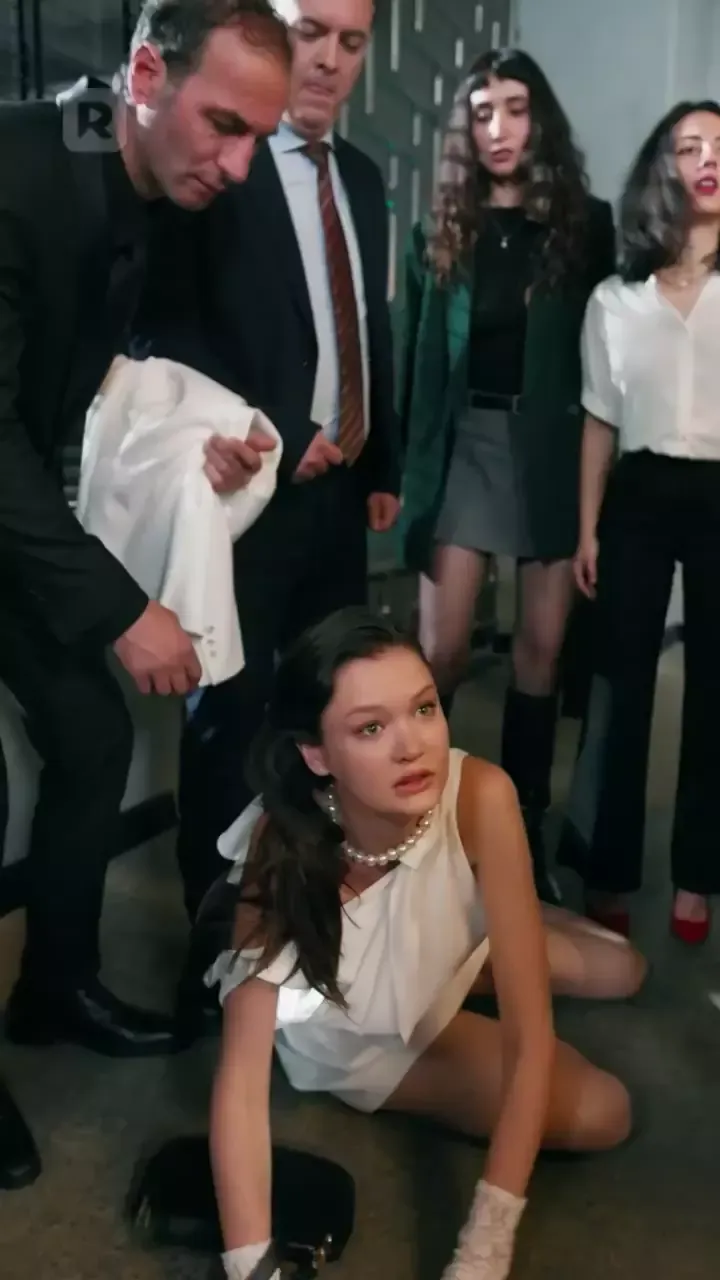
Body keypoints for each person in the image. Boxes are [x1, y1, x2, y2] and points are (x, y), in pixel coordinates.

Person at [0, 0, 290, 1104]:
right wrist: (125, 609)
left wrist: (196, 439)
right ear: (145, 73)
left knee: (91, 733)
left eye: (257, 138)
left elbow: (95, 379)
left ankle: (53, 987)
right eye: (224, 124)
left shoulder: (144, 182)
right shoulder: (18, 171)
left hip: (17, 505)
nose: (240, 165)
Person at [206, 607, 646, 1280]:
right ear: (317, 755)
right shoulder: (281, 844)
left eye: (424, 709)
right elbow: (240, 1083)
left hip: (440, 957)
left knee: (625, 968)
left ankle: (496, 914)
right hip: (362, 1030)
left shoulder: (480, 792)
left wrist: (485, 1249)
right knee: (603, 1111)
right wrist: (250, 1268)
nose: (412, 746)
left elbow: (530, 1035)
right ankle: (497, 916)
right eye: (371, 728)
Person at [140, 0, 401, 922]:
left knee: (330, 711)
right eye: (309, 32)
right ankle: (216, 938)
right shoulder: (219, 163)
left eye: (350, 41)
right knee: (230, 720)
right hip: (245, 493)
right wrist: (275, 431)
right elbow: (165, 331)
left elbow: (367, 324)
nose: (327, 59)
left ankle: (309, 907)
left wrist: (383, 460)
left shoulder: (361, 176)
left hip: (343, 498)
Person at [400, 49, 615, 906]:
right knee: (441, 652)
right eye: (482, 111)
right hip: (465, 445)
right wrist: (404, 480)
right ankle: (422, 824)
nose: (499, 129)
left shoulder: (585, 226)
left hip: (550, 448)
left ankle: (521, 832)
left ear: (541, 120)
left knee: (540, 651)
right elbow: (416, 364)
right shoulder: (440, 228)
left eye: (516, 109)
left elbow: (607, 361)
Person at [558, 101, 720, 944]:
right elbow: (598, 422)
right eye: (690, 146)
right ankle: (607, 866)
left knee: (716, 690)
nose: (708, 159)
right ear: (664, 167)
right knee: (620, 683)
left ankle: (700, 876)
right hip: (640, 493)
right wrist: (588, 529)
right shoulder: (615, 300)